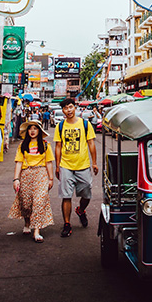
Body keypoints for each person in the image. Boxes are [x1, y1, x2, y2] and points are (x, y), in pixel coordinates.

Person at [54, 97, 98, 238]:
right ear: (63, 111)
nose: (69, 110)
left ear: (75, 107)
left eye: (71, 107)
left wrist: (95, 162)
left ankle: (81, 210)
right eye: (66, 108)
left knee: (86, 194)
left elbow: (91, 143)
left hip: (83, 165)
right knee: (66, 196)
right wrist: (57, 166)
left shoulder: (85, 124)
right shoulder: (60, 126)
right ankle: (67, 224)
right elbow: (58, 146)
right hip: (66, 166)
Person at [9, 120, 54, 243]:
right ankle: (27, 223)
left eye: (35, 128)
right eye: (30, 129)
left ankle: (37, 231)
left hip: (41, 174)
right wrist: (16, 179)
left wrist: (51, 179)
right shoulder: (22, 145)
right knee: (26, 203)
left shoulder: (45, 145)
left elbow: (49, 162)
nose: (32, 131)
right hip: (26, 175)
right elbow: (19, 162)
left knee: (39, 201)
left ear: (39, 131)